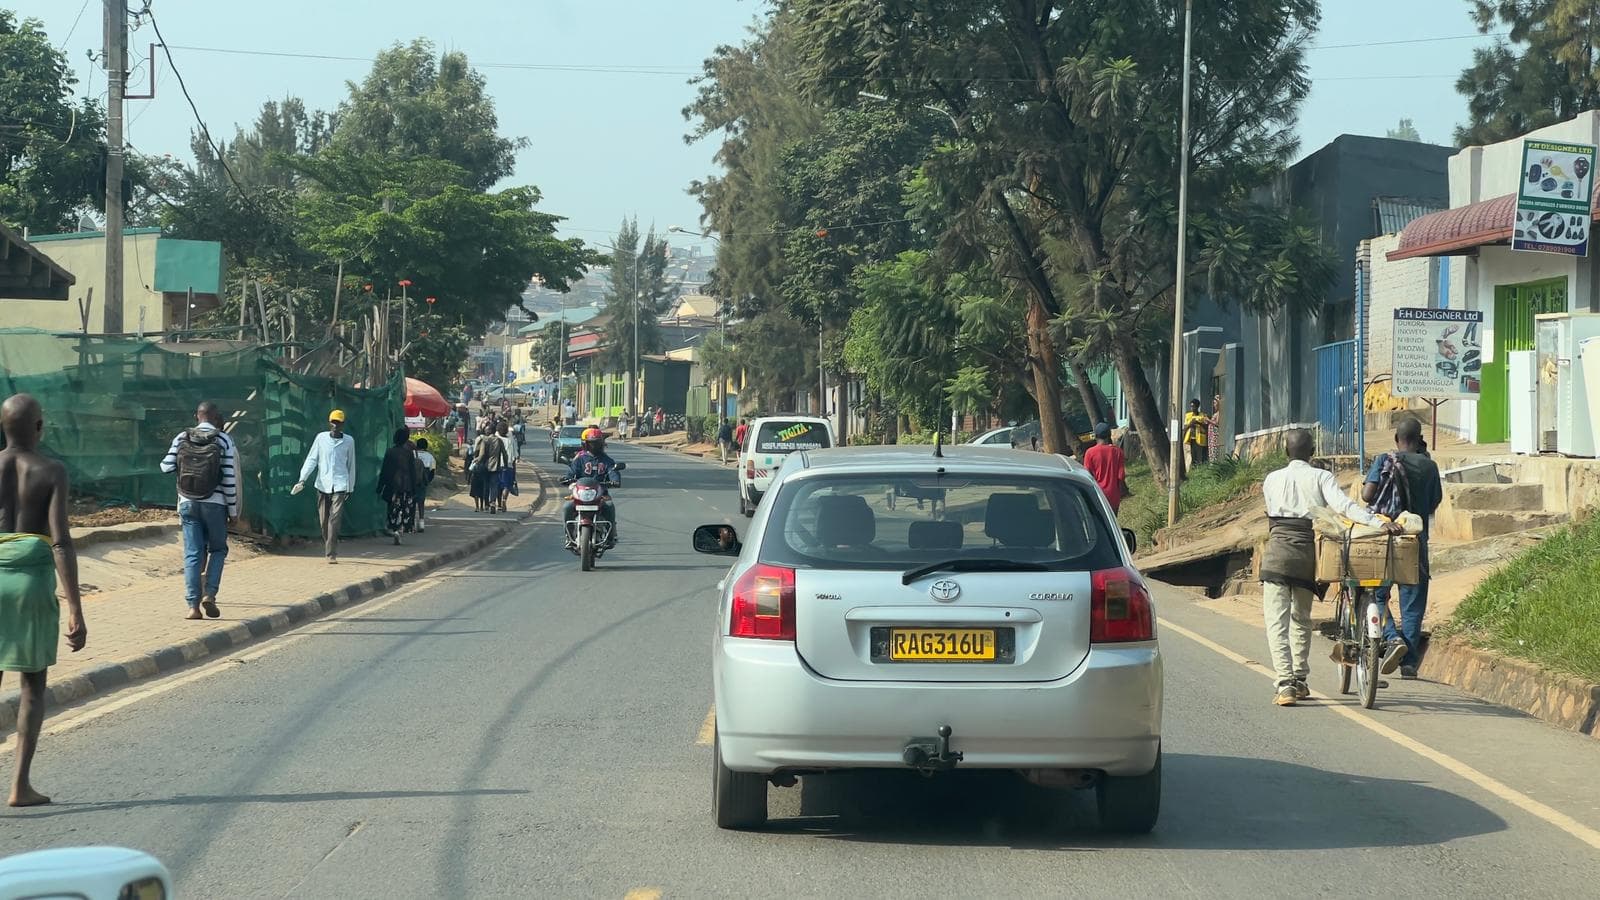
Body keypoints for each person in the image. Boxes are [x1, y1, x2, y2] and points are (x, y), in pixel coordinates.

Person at [1258, 428, 1399, 707]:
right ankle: (1299, 679)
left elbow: (1272, 515)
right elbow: (1344, 507)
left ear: (1286, 452)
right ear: (1312, 453)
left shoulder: (1271, 479)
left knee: (1277, 622)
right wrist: (1379, 523)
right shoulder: (1321, 477)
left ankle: (1285, 683)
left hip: (1276, 553)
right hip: (1307, 555)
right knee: (1301, 618)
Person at [0, 393, 87, 807]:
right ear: (38, 427)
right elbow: (61, 542)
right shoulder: (52, 470)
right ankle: (19, 786)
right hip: (32, 582)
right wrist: (75, 607)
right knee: (32, 685)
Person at [1361, 416, 1444, 679]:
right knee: (1413, 603)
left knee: (1376, 594)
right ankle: (1408, 662)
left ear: (1397, 439)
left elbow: (1367, 496)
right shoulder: (1430, 466)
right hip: (1414, 542)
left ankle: (1391, 637)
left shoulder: (1384, 460)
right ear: (1420, 440)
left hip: (1384, 539)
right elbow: (1433, 504)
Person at [158, 400, 239, 620]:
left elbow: (165, 466)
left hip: (187, 503)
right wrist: (233, 512)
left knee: (193, 553)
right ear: (216, 417)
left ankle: (192, 607)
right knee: (218, 550)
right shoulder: (224, 440)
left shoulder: (182, 437)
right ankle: (210, 594)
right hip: (216, 504)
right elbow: (230, 479)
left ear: (197, 416)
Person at [292, 409, 357, 564]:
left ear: (343, 424)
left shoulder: (349, 441)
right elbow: (312, 459)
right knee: (324, 521)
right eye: (333, 422)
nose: (335, 425)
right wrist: (302, 479)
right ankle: (329, 543)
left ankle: (331, 553)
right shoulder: (321, 438)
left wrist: (350, 487)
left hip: (341, 484)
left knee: (334, 520)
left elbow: (351, 464)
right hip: (322, 484)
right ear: (329, 422)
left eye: (338, 423)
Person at [564, 427, 621, 547]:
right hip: (581, 494)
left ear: (601, 443)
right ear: (585, 444)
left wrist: (615, 480)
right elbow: (571, 472)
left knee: (610, 506)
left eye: (597, 443)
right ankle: (568, 535)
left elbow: (613, 472)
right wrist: (566, 479)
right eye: (591, 443)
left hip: (601, 494)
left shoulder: (607, 460)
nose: (594, 446)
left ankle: (611, 536)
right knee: (567, 507)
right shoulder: (579, 460)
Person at [377, 427, 417, 545]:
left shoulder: (390, 452)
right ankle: (400, 530)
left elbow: (384, 471)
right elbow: (412, 471)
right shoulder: (409, 453)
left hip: (392, 486)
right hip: (406, 486)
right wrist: (413, 488)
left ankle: (395, 530)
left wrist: (380, 487)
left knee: (392, 509)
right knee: (404, 509)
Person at [1082, 422, 1129, 514]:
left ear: (1095, 436)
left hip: (1097, 494)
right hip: (1113, 495)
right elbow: (1121, 476)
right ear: (1109, 435)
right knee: (1111, 525)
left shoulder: (1090, 453)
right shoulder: (1118, 452)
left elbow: (1087, 475)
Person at [470, 423, 508, 514]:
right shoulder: (499, 441)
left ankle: (486, 505)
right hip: (495, 466)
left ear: (489, 431)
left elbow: (481, 454)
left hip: (485, 466)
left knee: (486, 485)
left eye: (487, 430)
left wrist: (476, 460)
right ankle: (493, 503)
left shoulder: (484, 440)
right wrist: (505, 465)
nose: (486, 431)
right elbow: (504, 454)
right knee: (494, 485)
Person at [412, 437, 436, 532]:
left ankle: (412, 523)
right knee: (421, 502)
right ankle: (421, 523)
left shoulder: (412, 454)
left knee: (412, 502)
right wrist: (427, 481)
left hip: (412, 481)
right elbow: (432, 471)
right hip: (422, 482)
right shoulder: (430, 457)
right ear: (426, 446)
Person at [496, 421, 517, 513]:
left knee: (497, 485)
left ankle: (499, 504)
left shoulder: (495, 438)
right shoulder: (511, 439)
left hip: (496, 465)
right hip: (508, 465)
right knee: (506, 486)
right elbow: (515, 456)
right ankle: (504, 500)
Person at [1183, 398, 1211, 467]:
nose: (1192, 408)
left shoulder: (1202, 415)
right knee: (1192, 455)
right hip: (1190, 439)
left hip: (1200, 439)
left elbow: (1206, 427)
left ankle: (1200, 468)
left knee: (1200, 456)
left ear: (1197, 407)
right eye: (1191, 406)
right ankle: (1193, 468)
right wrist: (1191, 424)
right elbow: (1185, 427)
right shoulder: (1188, 415)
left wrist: (1198, 423)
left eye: (1194, 406)